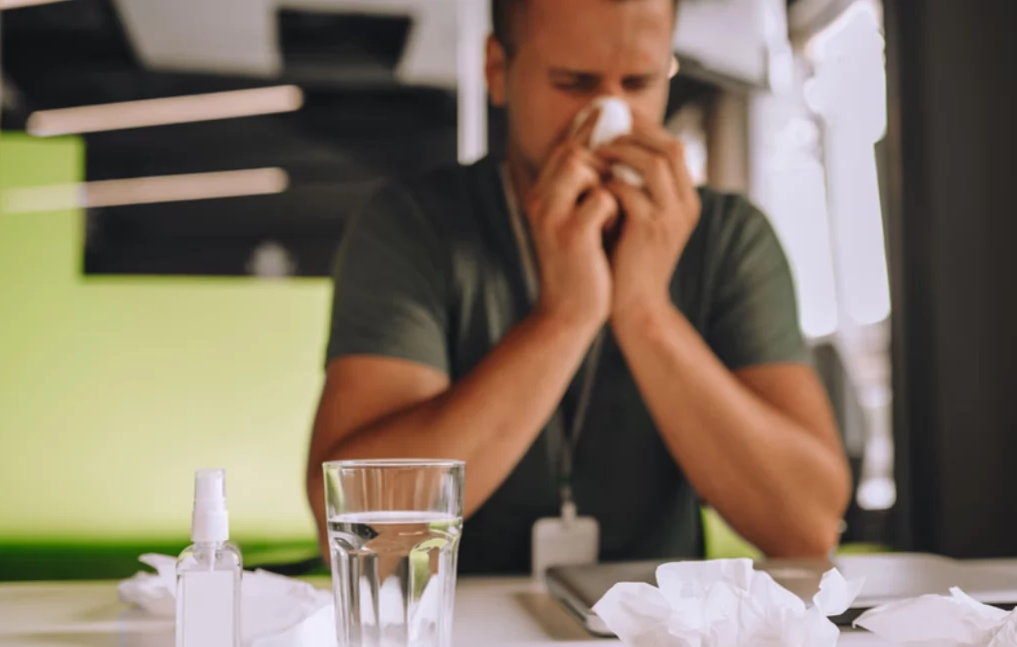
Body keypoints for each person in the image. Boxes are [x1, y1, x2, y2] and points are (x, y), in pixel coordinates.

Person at [306, 0, 850, 574]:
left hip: (655, 628)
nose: (611, 117)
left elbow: (807, 526)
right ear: (498, 71)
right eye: (573, 83)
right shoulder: (412, 225)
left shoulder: (728, 236)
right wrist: (565, 318)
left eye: (640, 82)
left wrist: (644, 312)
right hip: (459, 623)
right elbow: (359, 533)